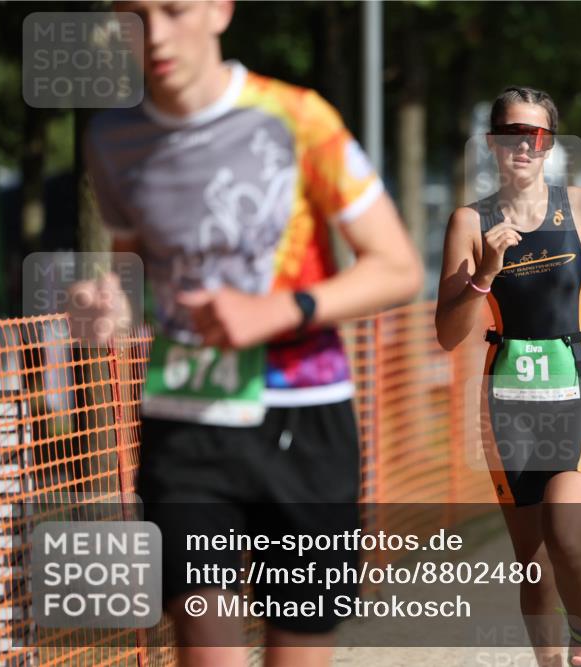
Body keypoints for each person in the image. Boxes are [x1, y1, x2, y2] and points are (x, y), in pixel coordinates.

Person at [76, 2, 423, 666]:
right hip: (185, 423)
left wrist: (280, 310)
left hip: (304, 422)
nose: (155, 35)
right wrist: (109, 307)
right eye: (134, 14)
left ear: (217, 9)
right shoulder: (112, 137)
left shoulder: (298, 118)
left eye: (174, 9)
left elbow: (398, 266)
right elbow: (131, 268)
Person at [435, 86, 581, 667]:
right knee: (531, 558)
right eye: (511, 133)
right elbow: (448, 333)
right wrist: (483, 273)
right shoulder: (469, 221)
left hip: (574, 387)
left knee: (567, 537)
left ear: (550, 143)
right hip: (505, 400)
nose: (524, 146)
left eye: (536, 136)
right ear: (491, 143)